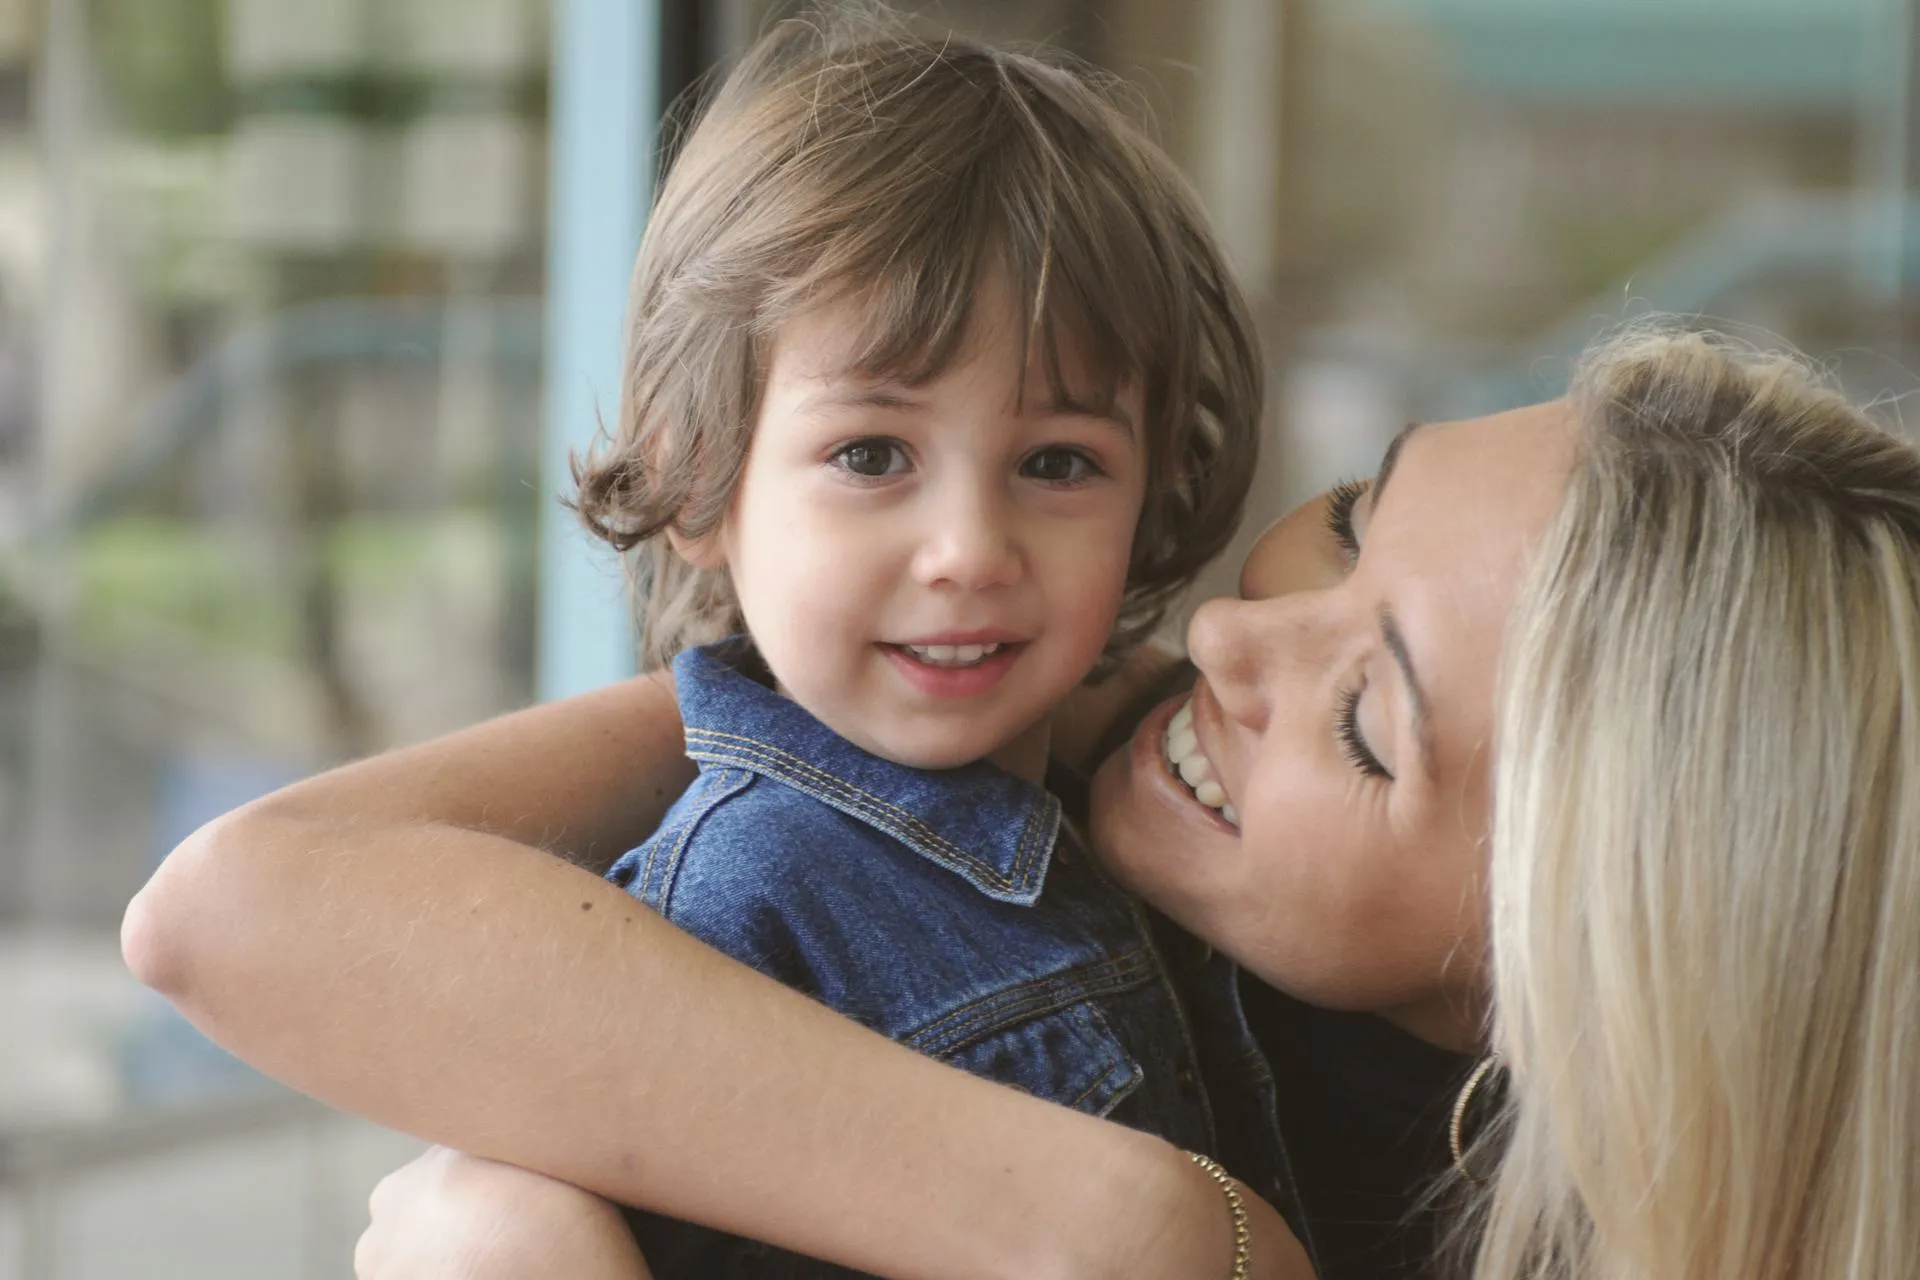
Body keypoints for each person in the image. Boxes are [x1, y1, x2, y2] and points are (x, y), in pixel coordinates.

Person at [123, 326, 1920, 1280]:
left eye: (1368, 723)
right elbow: (240, 909)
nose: (1230, 626)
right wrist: (1115, 1225)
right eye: (1358, 516)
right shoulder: (1060, 730)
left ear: (1588, 984)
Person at [543, 16, 1260, 1276]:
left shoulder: (1153, 824)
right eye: (872, 455)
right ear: (700, 479)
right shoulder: (724, 917)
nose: (970, 549)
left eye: (1058, 463)